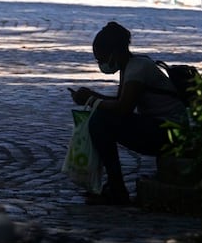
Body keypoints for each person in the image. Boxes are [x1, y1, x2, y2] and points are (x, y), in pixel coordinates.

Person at [68, 21, 188, 204]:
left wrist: (91, 101)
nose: (101, 64)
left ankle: (116, 188)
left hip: (170, 132)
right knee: (102, 118)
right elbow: (119, 102)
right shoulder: (131, 66)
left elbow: (123, 108)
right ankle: (114, 186)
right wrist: (92, 96)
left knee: (100, 122)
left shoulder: (137, 69)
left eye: (102, 59)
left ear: (115, 53)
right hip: (162, 127)